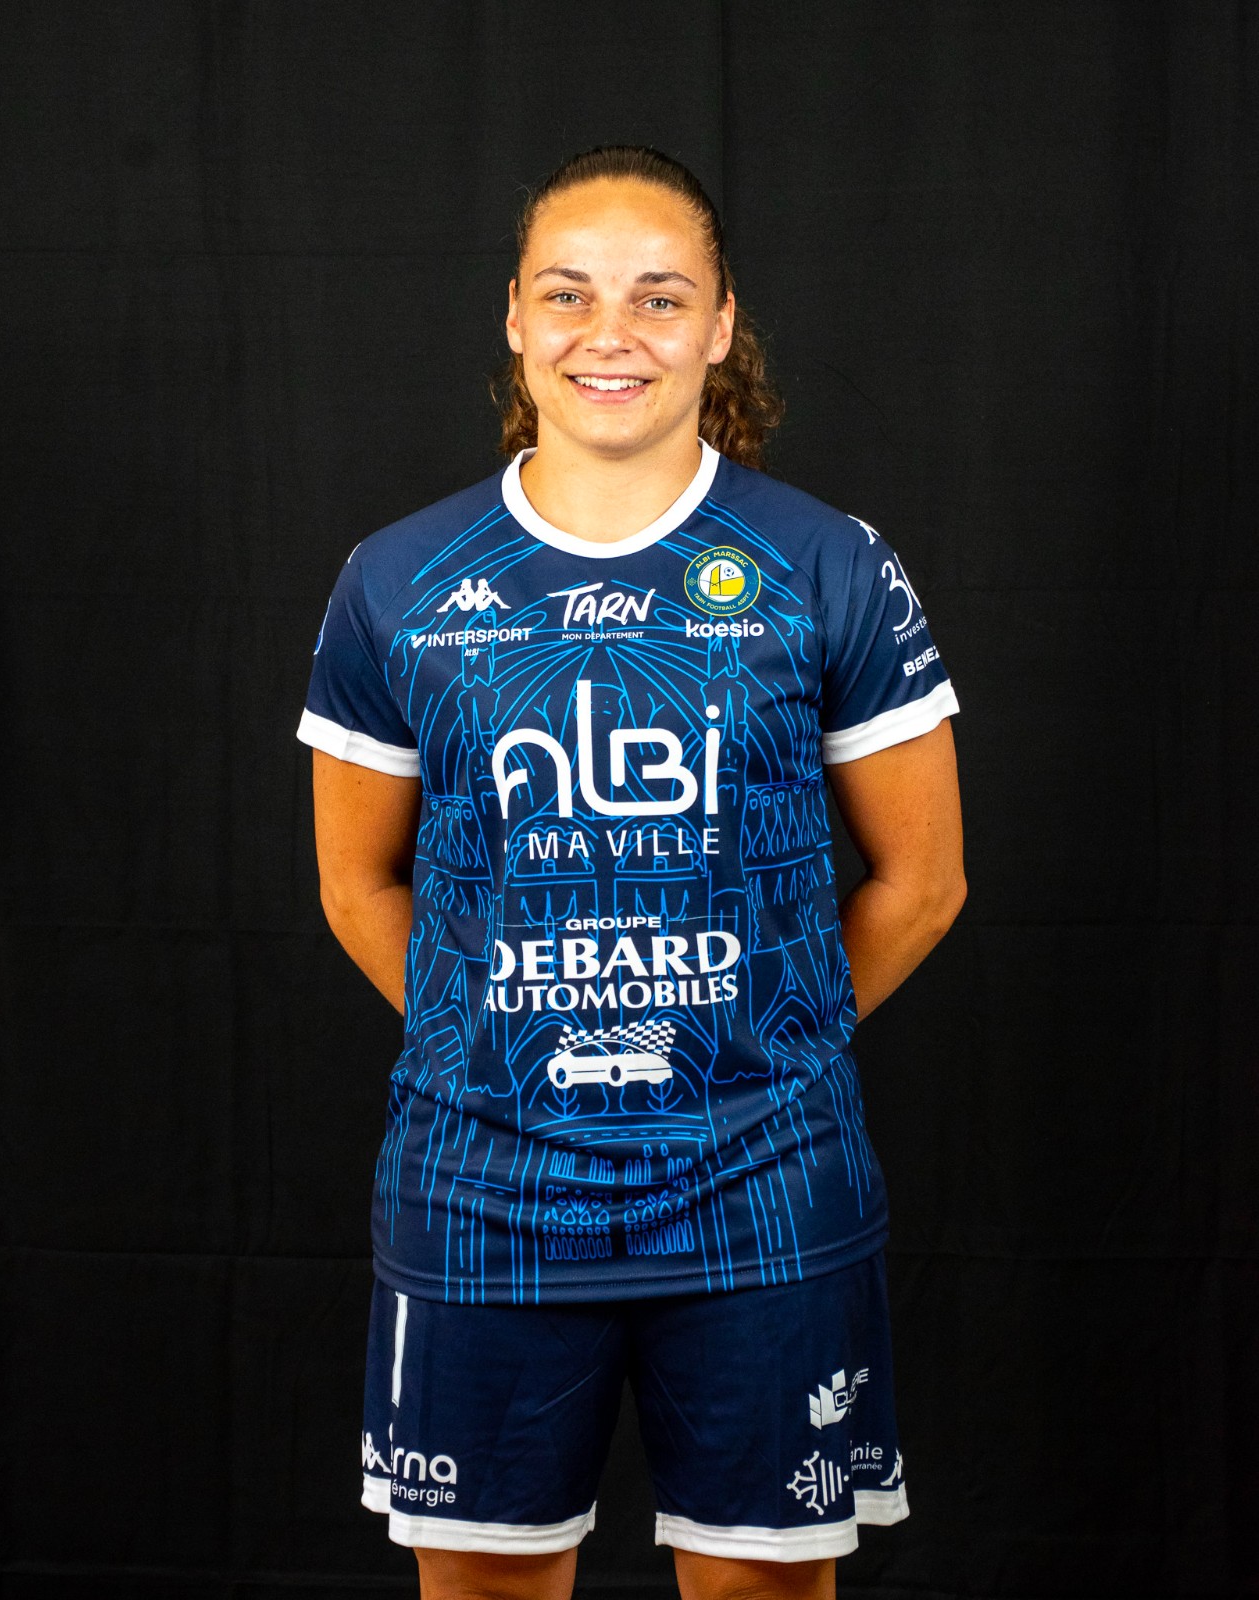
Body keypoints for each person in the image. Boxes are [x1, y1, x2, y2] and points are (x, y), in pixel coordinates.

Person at [298, 145, 965, 1600]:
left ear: (720, 326)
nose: (612, 333)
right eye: (569, 294)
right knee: (486, 1587)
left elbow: (923, 881)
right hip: (484, 1187)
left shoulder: (828, 565)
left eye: (659, 297)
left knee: (762, 1587)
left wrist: (766, 1050)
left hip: (762, 1182)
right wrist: (492, 1046)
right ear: (514, 317)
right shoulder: (397, 580)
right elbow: (357, 884)